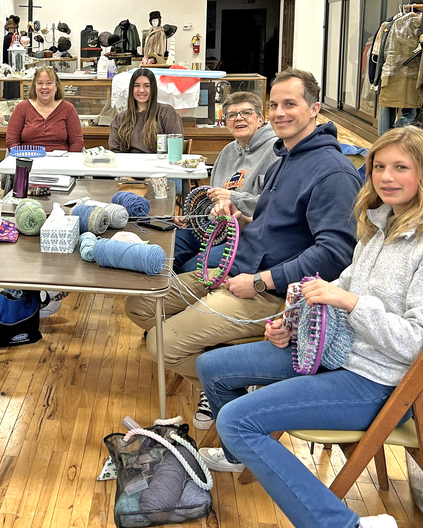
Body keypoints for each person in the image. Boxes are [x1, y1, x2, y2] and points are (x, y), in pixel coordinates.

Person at [195, 126, 423, 528]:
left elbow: (418, 344)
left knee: (237, 419)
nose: (386, 177)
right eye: (379, 167)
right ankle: (242, 456)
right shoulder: (381, 226)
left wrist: (351, 304)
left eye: (401, 167)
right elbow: (344, 284)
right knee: (213, 367)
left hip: (380, 381)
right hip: (339, 354)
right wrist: (291, 320)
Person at [125, 68, 362, 430]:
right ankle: (226, 363)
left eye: (290, 104)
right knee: (140, 303)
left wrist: (262, 281)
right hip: (236, 272)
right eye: (275, 105)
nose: (280, 113)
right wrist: (241, 216)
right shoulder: (287, 157)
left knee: (162, 344)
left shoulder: (332, 172)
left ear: (315, 108)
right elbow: (277, 226)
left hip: (274, 295)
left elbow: (335, 255)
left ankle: (232, 395)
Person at [173, 91, 278, 273]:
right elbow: (210, 199)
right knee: (167, 251)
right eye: (231, 115)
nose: (238, 119)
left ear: (260, 119)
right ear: (226, 123)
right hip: (214, 229)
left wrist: (233, 198)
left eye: (246, 113)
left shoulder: (276, 151)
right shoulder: (227, 152)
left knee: (191, 270)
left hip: (248, 236)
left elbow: (275, 206)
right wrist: (193, 219)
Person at [6, 66, 84, 152]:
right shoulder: (22, 108)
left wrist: (69, 161)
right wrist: (22, 158)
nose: (44, 87)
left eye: (49, 83)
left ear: (56, 86)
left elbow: (77, 142)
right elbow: (11, 140)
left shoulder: (68, 109)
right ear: (34, 86)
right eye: (40, 83)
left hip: (60, 163)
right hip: (28, 161)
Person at [108, 68, 183, 154]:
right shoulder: (119, 119)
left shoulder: (167, 113)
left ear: (153, 89)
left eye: (147, 86)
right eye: (136, 85)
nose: (141, 90)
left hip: (159, 165)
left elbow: (175, 149)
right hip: (127, 166)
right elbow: (114, 152)